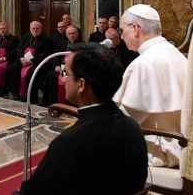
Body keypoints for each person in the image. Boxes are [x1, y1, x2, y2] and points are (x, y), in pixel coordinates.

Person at [18, 48, 148, 194]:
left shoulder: (70, 142)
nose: (63, 79)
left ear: (81, 84)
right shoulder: (132, 127)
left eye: (66, 73)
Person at [113, 4, 186, 167]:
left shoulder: (145, 63)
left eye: (122, 30)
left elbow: (125, 122)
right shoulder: (176, 54)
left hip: (159, 151)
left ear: (135, 29)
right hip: (182, 145)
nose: (122, 36)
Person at [8, 21, 53, 103]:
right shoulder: (26, 37)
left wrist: (31, 61)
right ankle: (16, 93)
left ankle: (30, 97)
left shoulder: (46, 40)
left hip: (36, 63)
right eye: (33, 28)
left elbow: (44, 54)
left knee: (30, 73)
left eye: (37, 28)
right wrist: (21, 58)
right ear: (30, 29)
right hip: (23, 61)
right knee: (12, 69)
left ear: (41, 29)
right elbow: (19, 49)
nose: (35, 30)